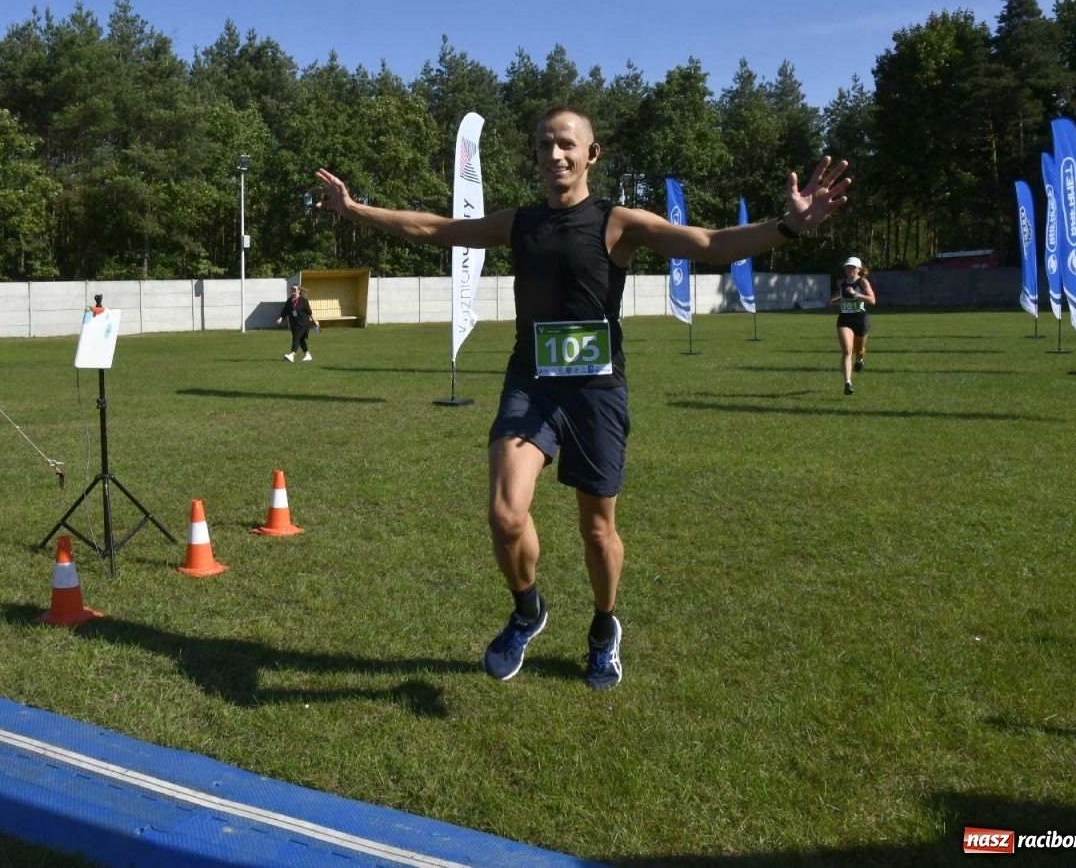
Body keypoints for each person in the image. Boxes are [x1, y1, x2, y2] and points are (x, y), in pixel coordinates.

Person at [314, 107, 850, 689]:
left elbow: (709, 243)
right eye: (545, 145)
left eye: (567, 144)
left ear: (591, 154)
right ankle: (528, 611)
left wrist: (789, 227)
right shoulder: (517, 223)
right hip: (532, 384)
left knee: (597, 531)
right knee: (504, 512)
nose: (555, 156)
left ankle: (603, 628)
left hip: (596, 392)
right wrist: (355, 210)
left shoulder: (617, 222)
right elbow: (435, 229)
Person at [828, 257, 875, 395]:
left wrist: (857, 294)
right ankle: (847, 383)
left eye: (853, 267)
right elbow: (841, 296)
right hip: (845, 319)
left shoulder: (862, 282)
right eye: (848, 267)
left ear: (859, 269)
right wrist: (833, 301)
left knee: (859, 350)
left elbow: (872, 300)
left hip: (860, 319)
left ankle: (860, 360)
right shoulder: (842, 283)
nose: (850, 270)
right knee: (847, 350)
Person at [276, 283, 318, 362]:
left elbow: (309, 312)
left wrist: (315, 321)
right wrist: (281, 318)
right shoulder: (289, 301)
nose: (293, 290)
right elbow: (285, 311)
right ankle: (307, 354)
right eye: (292, 289)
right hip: (294, 324)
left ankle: (292, 355)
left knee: (296, 338)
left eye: (294, 289)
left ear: (299, 290)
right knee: (301, 339)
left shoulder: (303, 301)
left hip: (303, 323)